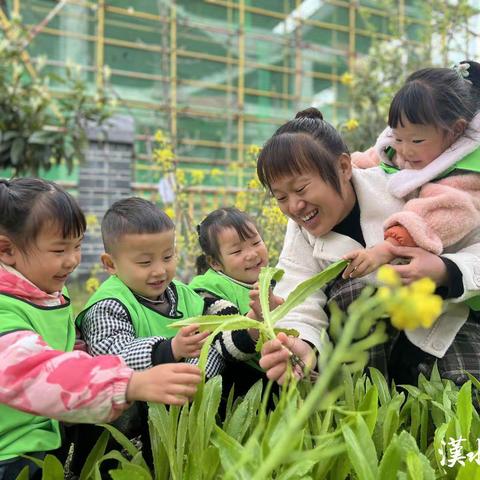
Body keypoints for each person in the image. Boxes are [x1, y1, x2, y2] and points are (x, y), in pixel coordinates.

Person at [255, 108, 480, 387]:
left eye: (301, 189)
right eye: (281, 197)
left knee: (466, 400)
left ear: (344, 167)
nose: (294, 206)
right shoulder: (301, 233)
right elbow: (298, 298)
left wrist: (445, 270)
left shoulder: (402, 187)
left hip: (440, 327)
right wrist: (302, 343)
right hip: (370, 357)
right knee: (355, 291)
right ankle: (377, 392)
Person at [0, 179, 201, 480]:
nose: (72, 261)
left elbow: (68, 351)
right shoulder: (5, 309)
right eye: (58, 250)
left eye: (77, 246)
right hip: (10, 456)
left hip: (42, 445)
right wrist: (129, 383)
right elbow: (38, 371)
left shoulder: (44, 294)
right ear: (6, 250)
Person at [345, 60, 480, 279]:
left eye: (417, 140)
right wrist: (345, 168)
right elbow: (376, 156)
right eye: (398, 137)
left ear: (456, 129)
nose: (405, 150)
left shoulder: (468, 171)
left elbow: (440, 211)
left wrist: (388, 247)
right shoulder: (405, 145)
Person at [190, 207, 270, 395]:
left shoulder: (276, 278)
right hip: (239, 381)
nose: (251, 254)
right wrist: (258, 315)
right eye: (237, 251)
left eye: (256, 242)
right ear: (215, 263)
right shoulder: (207, 291)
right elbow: (231, 347)